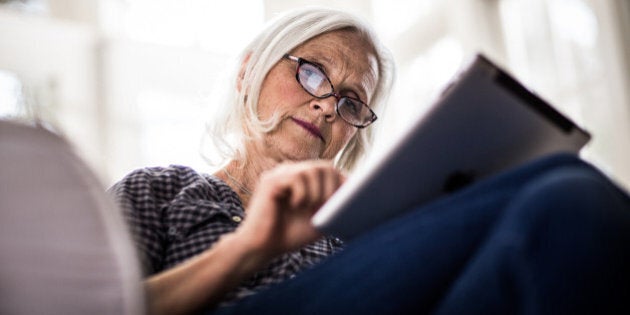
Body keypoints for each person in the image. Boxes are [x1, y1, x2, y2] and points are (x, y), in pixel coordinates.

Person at [109, 7, 630, 315]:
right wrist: (248, 247)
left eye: (351, 102)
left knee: (562, 216)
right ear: (250, 72)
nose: (328, 105)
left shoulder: (353, 234)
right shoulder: (159, 190)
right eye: (313, 73)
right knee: (568, 187)